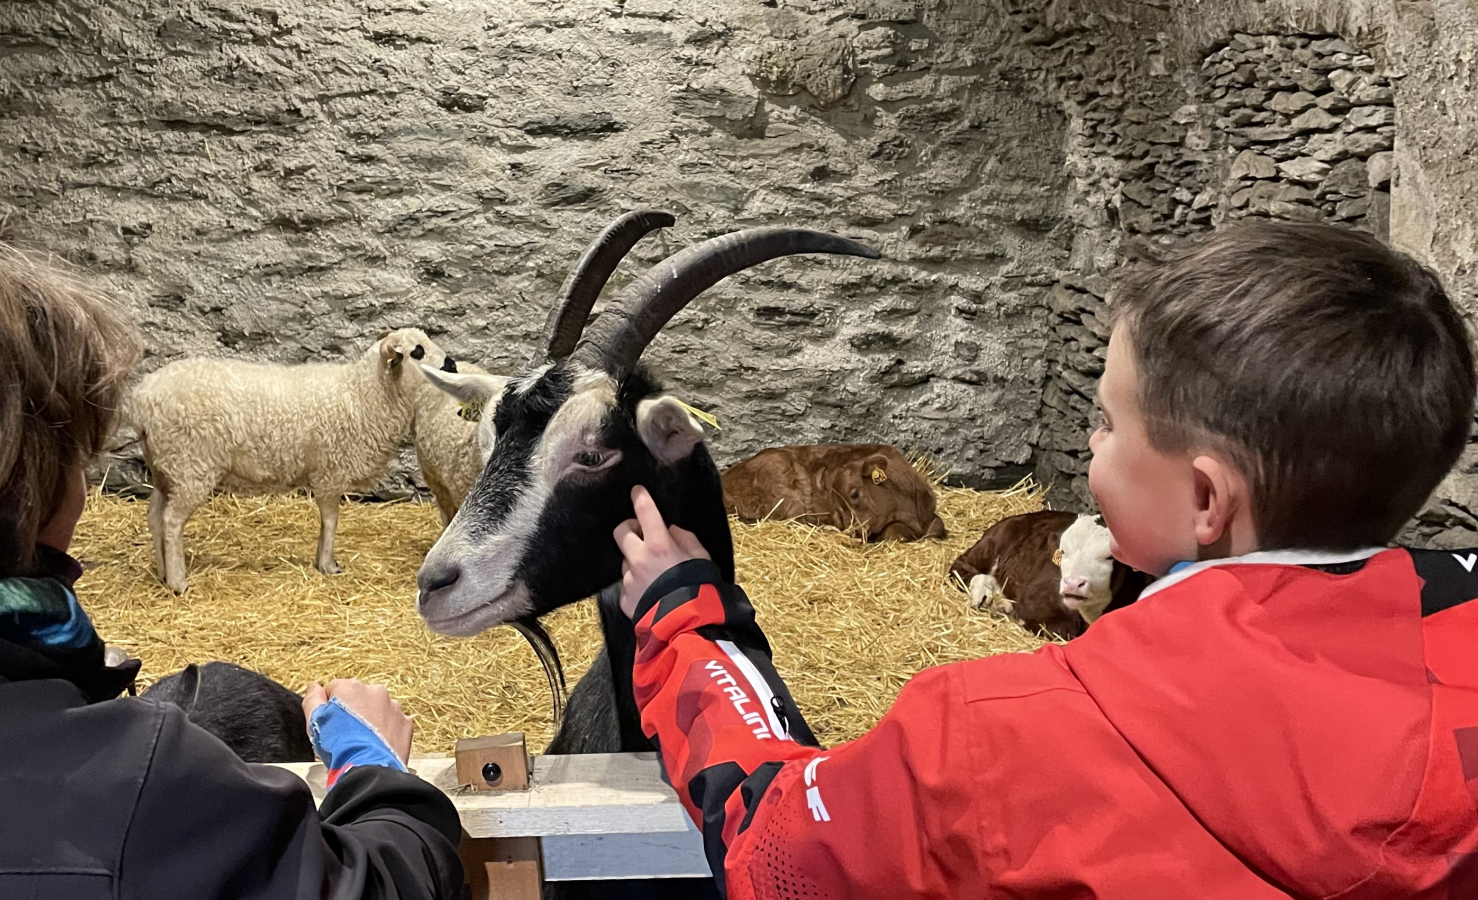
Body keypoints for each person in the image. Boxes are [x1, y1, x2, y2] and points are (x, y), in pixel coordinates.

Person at [612, 220, 1478, 898]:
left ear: (1206, 502)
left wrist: (686, 615)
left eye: (1106, 422)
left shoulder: (997, 735)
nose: (1090, 444)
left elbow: (777, 849)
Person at [0, 222, 464, 900]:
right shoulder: (136, 787)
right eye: (80, 455)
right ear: (27, 488)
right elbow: (369, 886)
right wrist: (380, 778)